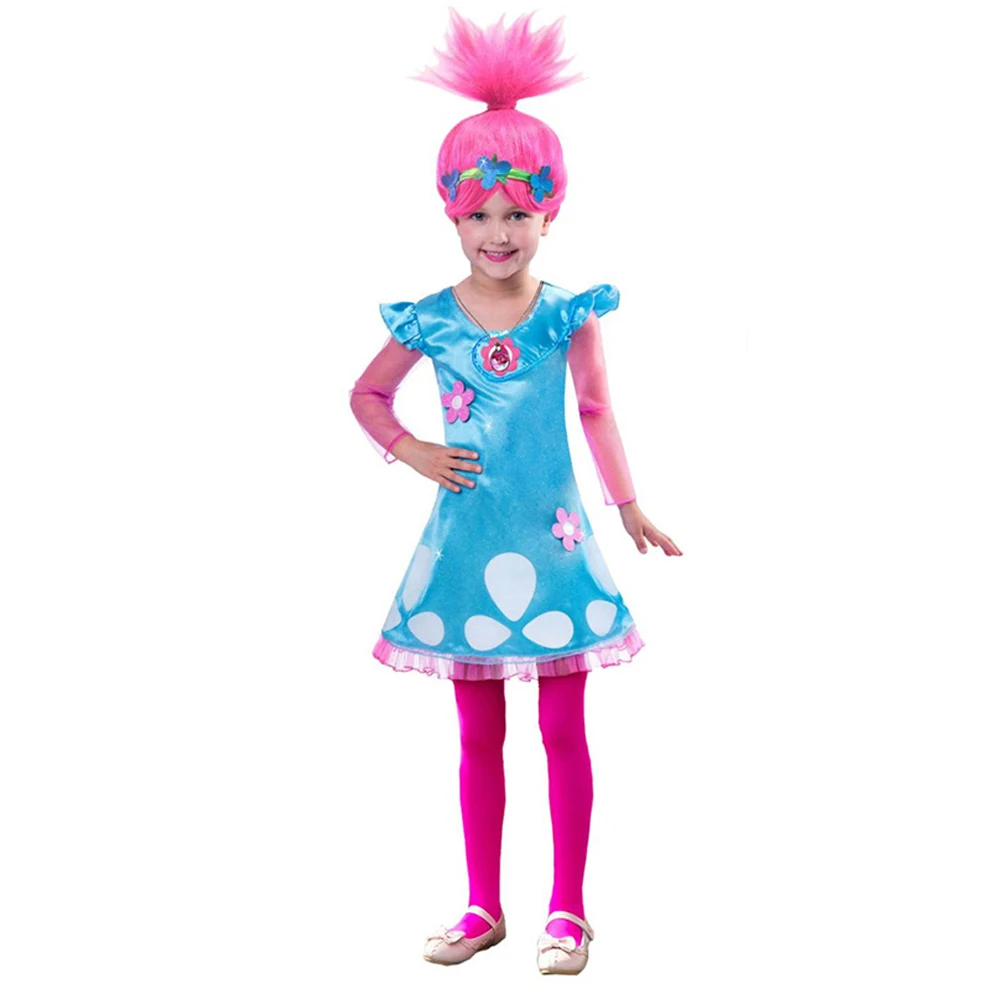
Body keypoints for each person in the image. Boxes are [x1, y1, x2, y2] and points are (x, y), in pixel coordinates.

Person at [348, 8, 683, 975]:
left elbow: (597, 411)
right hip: (465, 548)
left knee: (564, 731)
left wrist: (629, 506)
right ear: (451, 215)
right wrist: (411, 448)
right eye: (479, 214)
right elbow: (365, 394)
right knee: (476, 738)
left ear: (550, 213)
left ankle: (568, 909)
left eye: (518, 212)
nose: (498, 233)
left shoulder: (569, 314)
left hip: (557, 542)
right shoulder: (430, 319)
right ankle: (482, 904)